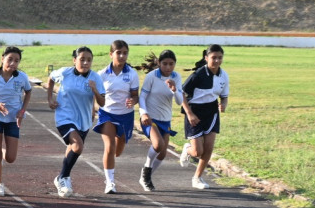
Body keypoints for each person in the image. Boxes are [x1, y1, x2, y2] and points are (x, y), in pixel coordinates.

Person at [47, 46, 105, 199]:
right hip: (64, 116)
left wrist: (95, 91)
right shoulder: (65, 73)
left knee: (73, 147)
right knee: (78, 146)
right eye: (82, 59)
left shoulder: (95, 78)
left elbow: (103, 102)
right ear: (74, 60)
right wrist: (50, 99)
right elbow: (51, 78)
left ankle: (62, 178)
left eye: (89, 60)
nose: (85, 63)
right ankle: (63, 178)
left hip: (84, 120)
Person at [179, 44, 229, 189]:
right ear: (206, 58)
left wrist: (223, 104)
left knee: (208, 148)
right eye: (214, 58)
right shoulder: (198, 75)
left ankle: (197, 178)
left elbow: (224, 96)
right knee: (197, 151)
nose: (217, 61)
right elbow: (181, 94)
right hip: (194, 112)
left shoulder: (223, 75)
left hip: (211, 112)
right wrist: (189, 114)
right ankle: (188, 149)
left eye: (220, 58)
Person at [93, 39, 140, 194]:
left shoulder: (132, 74)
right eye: (118, 53)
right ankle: (110, 182)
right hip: (107, 113)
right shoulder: (102, 74)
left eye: (125, 53)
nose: (121, 56)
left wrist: (133, 100)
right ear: (111, 54)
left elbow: (135, 95)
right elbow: (97, 97)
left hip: (125, 116)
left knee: (117, 151)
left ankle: (109, 164)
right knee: (109, 147)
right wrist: (94, 109)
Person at [0, 46, 33, 197]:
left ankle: (2, 150)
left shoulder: (22, 78)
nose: (13, 63)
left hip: (13, 120)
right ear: (2, 59)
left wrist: (22, 110)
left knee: (11, 158)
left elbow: (29, 91)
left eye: (16, 61)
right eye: (10, 59)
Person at [137, 50, 183, 192]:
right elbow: (142, 97)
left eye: (171, 64)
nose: (168, 67)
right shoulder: (152, 76)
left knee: (162, 153)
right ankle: (146, 174)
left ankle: (146, 175)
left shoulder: (177, 77)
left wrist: (175, 89)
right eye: (165, 64)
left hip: (165, 119)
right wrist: (143, 113)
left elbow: (180, 101)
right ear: (158, 63)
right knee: (158, 145)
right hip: (150, 118)